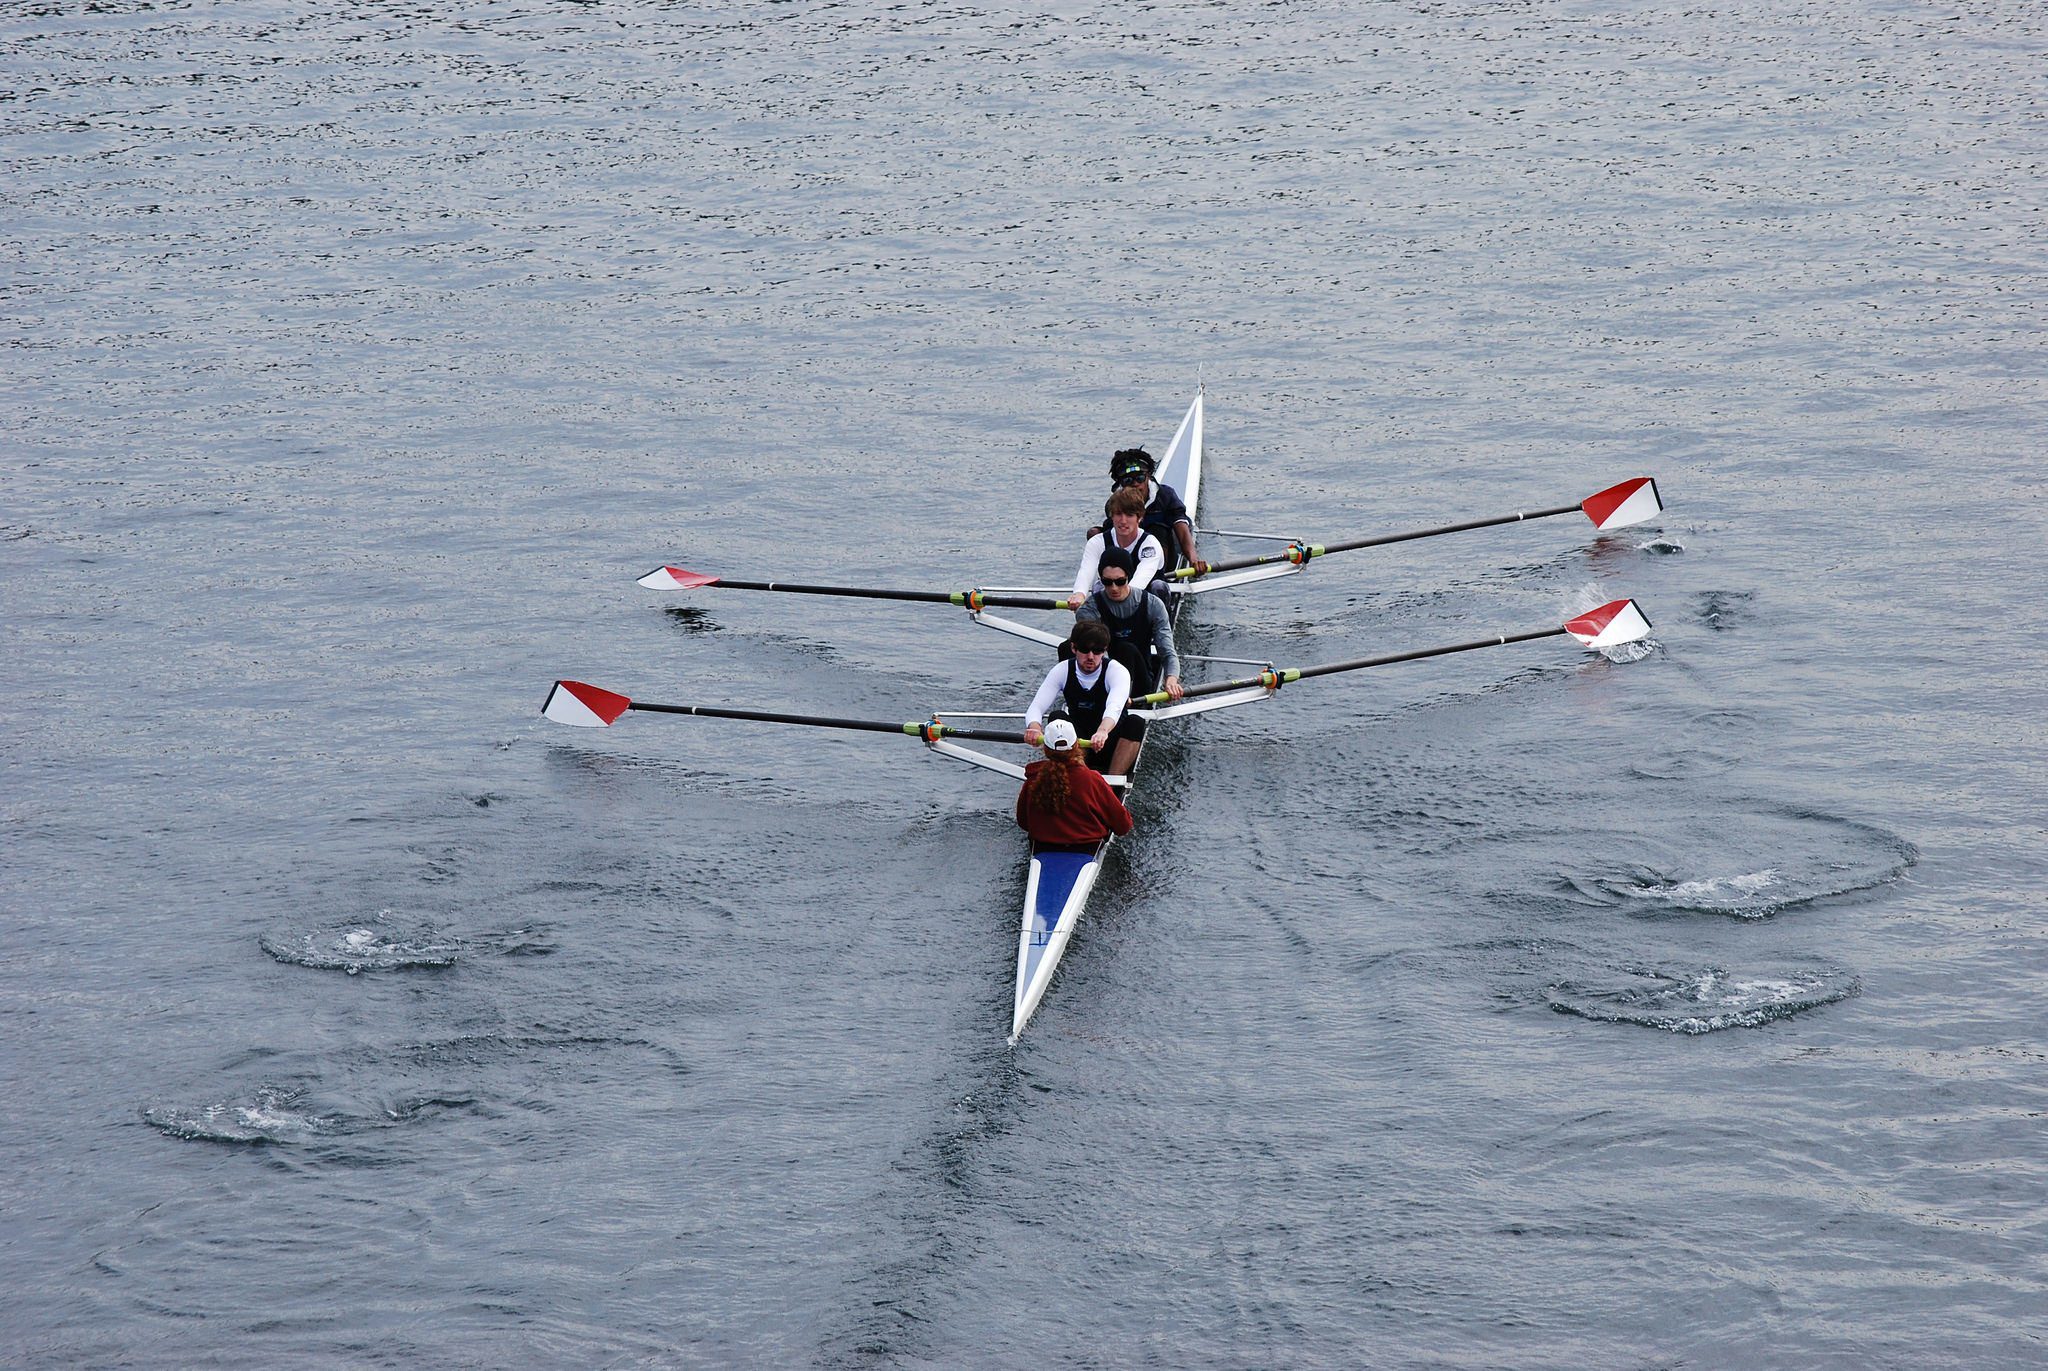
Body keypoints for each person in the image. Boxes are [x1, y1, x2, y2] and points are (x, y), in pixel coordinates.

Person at [1075, 546, 1184, 772]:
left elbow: (1167, 650)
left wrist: (1172, 679)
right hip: (1101, 683)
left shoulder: (1153, 604)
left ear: (1129, 577)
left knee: (1125, 649)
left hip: (1138, 687)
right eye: (1107, 582)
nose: (1113, 588)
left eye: (1120, 581)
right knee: (1068, 648)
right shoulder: (1090, 609)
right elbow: (1089, 654)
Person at [1023, 620, 1137, 774]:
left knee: (1136, 723)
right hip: (1078, 742)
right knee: (1057, 718)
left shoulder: (1117, 671)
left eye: (1097, 651)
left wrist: (1103, 731)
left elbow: (1114, 706)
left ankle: (1113, 782)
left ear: (1105, 650)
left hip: (1109, 739)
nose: (1091, 657)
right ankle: (1080, 775)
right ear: (1073, 648)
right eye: (1084, 650)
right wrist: (1034, 728)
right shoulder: (1062, 670)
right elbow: (1037, 706)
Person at [1014, 719, 1134, 848]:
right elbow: (1123, 826)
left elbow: (1023, 822)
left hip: (1042, 846)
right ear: (1077, 745)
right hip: (1087, 847)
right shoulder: (1092, 779)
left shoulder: (1033, 778)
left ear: (1045, 749)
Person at [1108, 447, 1209, 583]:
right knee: (1094, 533)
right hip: (1131, 559)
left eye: (1140, 478)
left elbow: (1182, 529)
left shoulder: (1165, 496)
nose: (1135, 485)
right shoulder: (1114, 503)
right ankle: (1113, 580)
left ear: (1148, 476)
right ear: (1121, 483)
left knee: (1157, 531)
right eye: (1128, 481)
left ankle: (1159, 582)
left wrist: (1193, 559)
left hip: (1164, 559)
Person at [1067, 486, 1163, 609]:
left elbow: (1143, 576)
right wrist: (1079, 594)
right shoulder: (1097, 542)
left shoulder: (1150, 545)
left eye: (1129, 515)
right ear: (1112, 516)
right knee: (1099, 587)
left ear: (1139, 518)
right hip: (1115, 597)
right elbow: (1086, 571)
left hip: (1145, 600)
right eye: (1118, 514)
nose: (1123, 521)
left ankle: (1162, 625)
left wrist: (1125, 599)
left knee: (1159, 586)